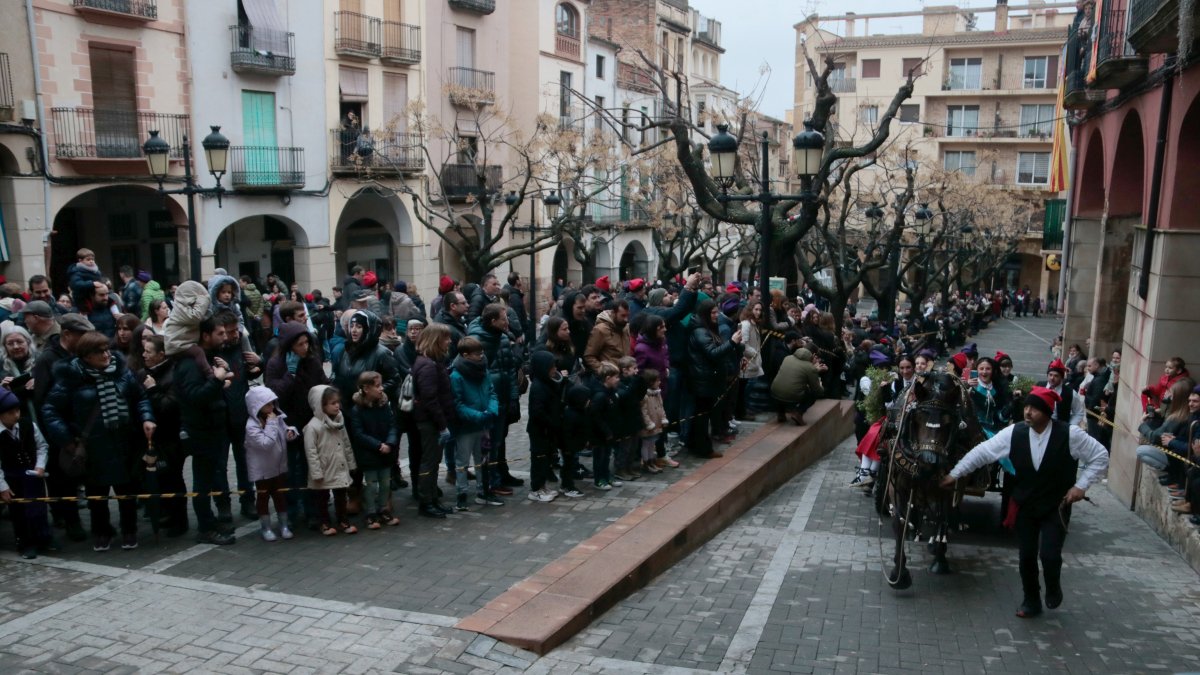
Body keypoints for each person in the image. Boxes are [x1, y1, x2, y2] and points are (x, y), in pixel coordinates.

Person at [941, 386, 1109, 618]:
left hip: (1056, 505)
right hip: (1024, 503)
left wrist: (1081, 485)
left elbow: (1100, 456)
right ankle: (1031, 599)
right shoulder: (1014, 433)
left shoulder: (1070, 434)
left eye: (1035, 409)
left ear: (1048, 412)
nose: (1028, 412)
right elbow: (983, 452)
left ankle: (1053, 585)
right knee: (1026, 555)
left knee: (1050, 555)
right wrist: (955, 474)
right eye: (1027, 407)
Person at [42, 331, 155, 552]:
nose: (106, 355)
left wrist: (146, 418)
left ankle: (129, 530)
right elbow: (50, 410)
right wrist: (67, 440)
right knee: (97, 496)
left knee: (127, 493)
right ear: (85, 356)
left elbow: (140, 398)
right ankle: (101, 531)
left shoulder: (122, 373)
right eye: (99, 352)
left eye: (107, 349)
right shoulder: (70, 378)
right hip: (93, 448)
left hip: (124, 444)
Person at [174, 316, 237, 545]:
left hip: (213, 429)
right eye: (220, 333)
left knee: (211, 478)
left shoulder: (205, 358)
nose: (225, 337)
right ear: (205, 335)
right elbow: (195, 397)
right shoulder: (191, 363)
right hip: (200, 431)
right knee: (201, 482)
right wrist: (217, 381)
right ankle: (205, 527)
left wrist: (221, 379)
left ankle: (209, 522)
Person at [264, 321, 328, 529]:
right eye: (300, 344)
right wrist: (290, 375)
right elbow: (275, 395)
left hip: (310, 423)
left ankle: (313, 510)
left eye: (306, 343)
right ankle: (292, 511)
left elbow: (323, 384)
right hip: (287, 425)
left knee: (311, 467)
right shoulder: (276, 364)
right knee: (290, 471)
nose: (305, 348)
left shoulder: (312, 361)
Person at [139, 334, 189, 538]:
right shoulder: (146, 372)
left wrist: (152, 389)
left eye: (148, 352)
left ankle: (180, 520)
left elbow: (170, 407)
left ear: (161, 354)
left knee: (173, 480)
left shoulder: (172, 374)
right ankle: (167, 514)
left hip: (171, 437)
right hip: (155, 438)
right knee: (160, 479)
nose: (144, 355)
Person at [0, 388, 55, 559]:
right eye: (10, 413)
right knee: (19, 512)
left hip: (32, 476)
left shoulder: (28, 425)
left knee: (38, 508)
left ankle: (43, 538)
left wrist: (40, 466)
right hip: (12, 478)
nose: (16, 415)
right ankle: (25, 542)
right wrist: (3, 487)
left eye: (17, 410)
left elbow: (42, 446)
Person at [687, 299, 744, 459]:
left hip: (708, 378)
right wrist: (732, 342)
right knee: (702, 416)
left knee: (702, 414)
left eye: (716, 312)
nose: (716, 315)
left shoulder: (709, 329)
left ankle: (696, 445)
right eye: (713, 313)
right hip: (703, 380)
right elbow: (713, 353)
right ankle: (703, 448)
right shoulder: (700, 331)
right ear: (705, 314)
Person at [411, 323, 456, 518]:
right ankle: (426, 502)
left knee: (433, 462)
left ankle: (432, 499)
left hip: (433, 422)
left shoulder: (432, 362)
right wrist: (442, 425)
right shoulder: (428, 365)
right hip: (430, 423)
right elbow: (430, 399)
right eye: (446, 338)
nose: (449, 342)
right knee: (429, 462)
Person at [449, 336, 499, 510]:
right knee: (462, 461)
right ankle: (461, 493)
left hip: (484, 423)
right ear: (466, 355)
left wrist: (492, 410)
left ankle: (482, 490)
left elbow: (492, 392)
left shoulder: (484, 370)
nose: (481, 356)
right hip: (467, 426)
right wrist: (478, 415)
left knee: (483, 459)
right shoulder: (456, 376)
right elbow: (458, 404)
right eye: (478, 353)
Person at [348, 371, 400, 529]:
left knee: (385, 483)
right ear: (366, 388)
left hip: (386, 452)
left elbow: (393, 425)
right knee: (371, 485)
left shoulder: (385, 405)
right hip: (369, 454)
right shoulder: (357, 410)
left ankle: (383, 509)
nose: (381, 389)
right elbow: (359, 434)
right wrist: (378, 445)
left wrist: (390, 443)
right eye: (377, 386)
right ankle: (370, 512)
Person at [244, 385, 297, 541]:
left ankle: (284, 525)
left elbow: (285, 432)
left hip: (278, 467)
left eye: (273, 403)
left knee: (280, 496)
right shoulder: (251, 426)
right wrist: (273, 424)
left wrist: (291, 432)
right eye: (268, 404)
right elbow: (266, 443)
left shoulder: (276, 418)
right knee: (263, 497)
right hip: (262, 470)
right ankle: (266, 527)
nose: (272, 407)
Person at [304, 385, 358, 535]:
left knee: (341, 495)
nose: (337, 406)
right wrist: (316, 472)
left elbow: (346, 443)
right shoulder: (313, 427)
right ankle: (324, 523)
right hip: (324, 468)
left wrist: (351, 463)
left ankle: (343, 520)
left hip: (339, 466)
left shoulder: (339, 421)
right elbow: (311, 452)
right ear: (321, 406)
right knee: (322, 498)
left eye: (337, 402)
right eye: (332, 403)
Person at [526, 350, 564, 502]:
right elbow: (537, 412)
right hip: (539, 430)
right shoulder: (538, 387)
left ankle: (543, 486)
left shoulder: (548, 383)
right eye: (552, 367)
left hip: (548, 429)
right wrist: (551, 422)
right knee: (539, 459)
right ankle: (536, 489)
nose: (555, 370)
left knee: (546, 459)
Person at [770, 347, 822, 426]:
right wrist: (817, 375)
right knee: (813, 393)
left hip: (774, 392)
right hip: (791, 396)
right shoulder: (810, 367)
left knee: (784, 387)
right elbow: (817, 390)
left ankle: (781, 413)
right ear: (813, 356)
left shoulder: (787, 358)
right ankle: (798, 413)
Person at [1040, 359, 1085, 426]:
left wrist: (1069, 426)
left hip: (1059, 429)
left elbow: (1078, 413)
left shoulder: (1070, 393)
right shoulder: (1039, 386)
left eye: (1056, 376)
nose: (1052, 378)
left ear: (1062, 378)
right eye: (1050, 375)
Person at [639, 369, 667, 475]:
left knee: (652, 444)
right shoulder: (645, 396)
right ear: (650, 382)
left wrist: (663, 418)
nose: (659, 382)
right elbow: (644, 412)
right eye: (657, 380)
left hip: (656, 424)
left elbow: (661, 407)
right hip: (649, 425)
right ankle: (646, 463)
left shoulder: (657, 393)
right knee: (646, 444)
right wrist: (648, 423)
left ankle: (651, 461)